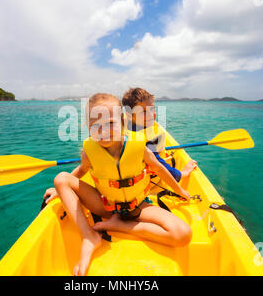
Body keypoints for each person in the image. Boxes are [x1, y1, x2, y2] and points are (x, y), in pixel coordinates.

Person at [52, 93, 192, 276]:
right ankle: (89, 235)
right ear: (88, 127)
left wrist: (179, 189)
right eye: (96, 126)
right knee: (60, 179)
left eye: (110, 123)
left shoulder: (138, 147)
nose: (103, 131)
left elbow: (159, 169)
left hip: (138, 206)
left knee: (183, 234)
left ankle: (120, 225)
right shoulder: (89, 152)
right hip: (104, 204)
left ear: (123, 123)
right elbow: (81, 172)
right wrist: (60, 191)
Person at [122, 87, 197, 184]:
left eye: (152, 109)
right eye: (143, 112)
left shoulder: (127, 126)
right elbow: (160, 167)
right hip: (148, 182)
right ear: (129, 115)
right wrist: (184, 172)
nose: (150, 114)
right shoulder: (144, 140)